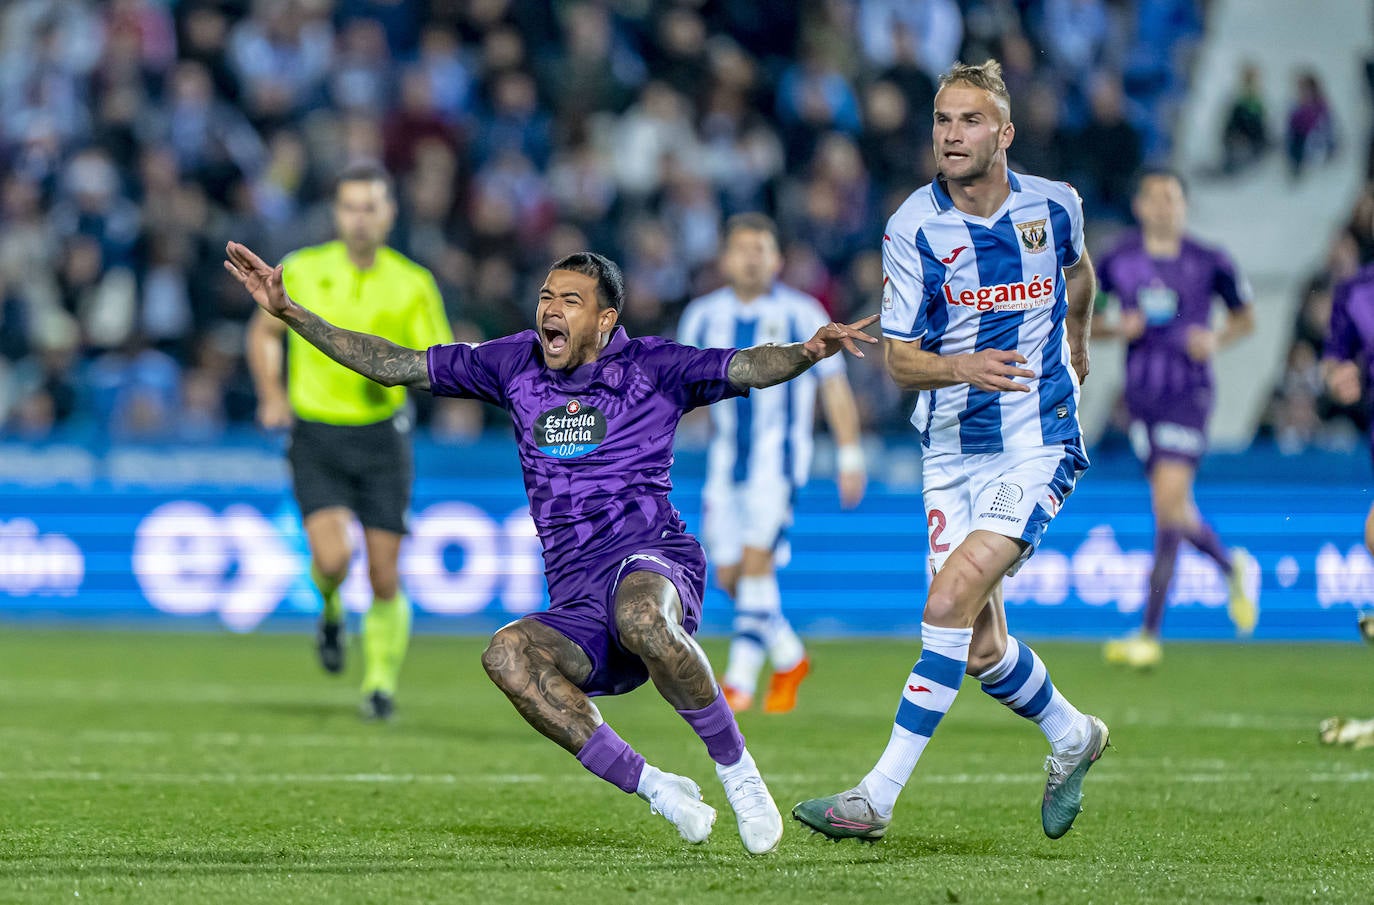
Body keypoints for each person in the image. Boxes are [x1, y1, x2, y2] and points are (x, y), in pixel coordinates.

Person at [225, 239, 878, 852]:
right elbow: (393, 364)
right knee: (506, 655)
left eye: (569, 300)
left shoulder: (655, 366)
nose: (550, 310)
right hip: (576, 594)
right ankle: (657, 786)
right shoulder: (513, 363)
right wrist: (290, 314)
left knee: (644, 614)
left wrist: (807, 352)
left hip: (651, 556)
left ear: (604, 319)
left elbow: (748, 365)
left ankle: (738, 772)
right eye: (545, 296)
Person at [792, 59, 1108, 843]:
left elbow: (1079, 274)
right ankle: (1073, 733)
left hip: (1038, 443)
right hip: (948, 451)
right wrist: (961, 365)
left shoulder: (1055, 205)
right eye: (942, 122)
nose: (952, 135)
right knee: (979, 645)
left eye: (969, 122)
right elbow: (897, 359)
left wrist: (1079, 338)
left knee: (944, 603)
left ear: (1004, 134)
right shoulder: (912, 226)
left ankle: (875, 796)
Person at [244, 162, 454, 720]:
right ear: (336, 214)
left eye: (370, 207)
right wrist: (270, 393)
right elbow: (263, 331)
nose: (359, 218)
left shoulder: (412, 281)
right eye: (350, 207)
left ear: (389, 215)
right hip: (316, 432)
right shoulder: (305, 270)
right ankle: (332, 610)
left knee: (384, 573)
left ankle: (380, 687)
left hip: (384, 438)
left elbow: (433, 359)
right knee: (332, 560)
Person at [678, 212, 867, 714]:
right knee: (730, 575)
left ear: (778, 258)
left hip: (777, 464)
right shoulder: (700, 316)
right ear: (725, 258)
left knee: (757, 564)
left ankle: (737, 684)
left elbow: (835, 388)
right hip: (723, 466)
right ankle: (789, 655)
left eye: (761, 248)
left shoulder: (804, 313)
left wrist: (850, 455)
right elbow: (678, 389)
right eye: (742, 247)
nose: (751, 257)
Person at [1096, 169, 1257, 669]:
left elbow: (1245, 316)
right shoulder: (1117, 260)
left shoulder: (1209, 261)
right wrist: (1114, 327)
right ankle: (1231, 567)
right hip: (1141, 398)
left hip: (1188, 394)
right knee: (1174, 508)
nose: (1165, 206)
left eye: (1173, 198)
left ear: (1184, 207)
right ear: (1140, 205)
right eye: (1156, 197)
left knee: (1168, 506)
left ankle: (1149, 633)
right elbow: (1084, 318)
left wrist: (1216, 339)